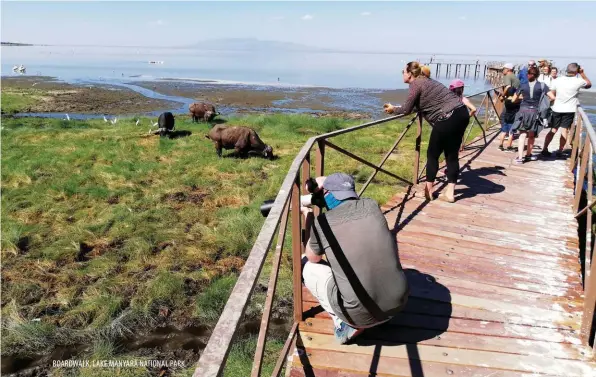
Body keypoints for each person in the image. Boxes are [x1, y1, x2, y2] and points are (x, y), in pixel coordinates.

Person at [301, 173, 409, 344]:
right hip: (398, 305)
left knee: (305, 265)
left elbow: (313, 257)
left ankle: (343, 324)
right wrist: (327, 185)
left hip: (360, 316)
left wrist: (308, 216)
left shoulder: (322, 222)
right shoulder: (372, 206)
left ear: (326, 194)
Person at [384, 62, 470, 203]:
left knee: (432, 155)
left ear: (410, 74)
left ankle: (428, 191)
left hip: (447, 117)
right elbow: (418, 105)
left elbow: (406, 109)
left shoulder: (415, 84)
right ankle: (450, 193)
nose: (402, 74)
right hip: (461, 113)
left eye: (403, 71)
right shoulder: (427, 81)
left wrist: (393, 110)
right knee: (452, 155)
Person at [542, 63, 592, 157]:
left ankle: (545, 149)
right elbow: (589, 84)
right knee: (564, 130)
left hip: (557, 108)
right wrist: (582, 73)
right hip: (569, 109)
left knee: (553, 129)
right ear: (576, 71)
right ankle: (560, 150)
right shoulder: (578, 81)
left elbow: (552, 92)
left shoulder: (557, 80)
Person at [511, 66, 550, 164]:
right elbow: (552, 97)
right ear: (538, 75)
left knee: (522, 134)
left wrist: (522, 98)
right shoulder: (542, 85)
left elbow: (513, 100)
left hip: (523, 111)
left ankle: (520, 158)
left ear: (528, 74)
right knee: (532, 135)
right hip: (535, 112)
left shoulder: (522, 85)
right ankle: (528, 155)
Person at [497, 86, 520, 152]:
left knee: (503, 132)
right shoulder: (516, 101)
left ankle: (500, 146)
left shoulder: (506, 100)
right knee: (511, 133)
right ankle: (509, 146)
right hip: (512, 118)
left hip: (506, 117)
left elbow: (503, 97)